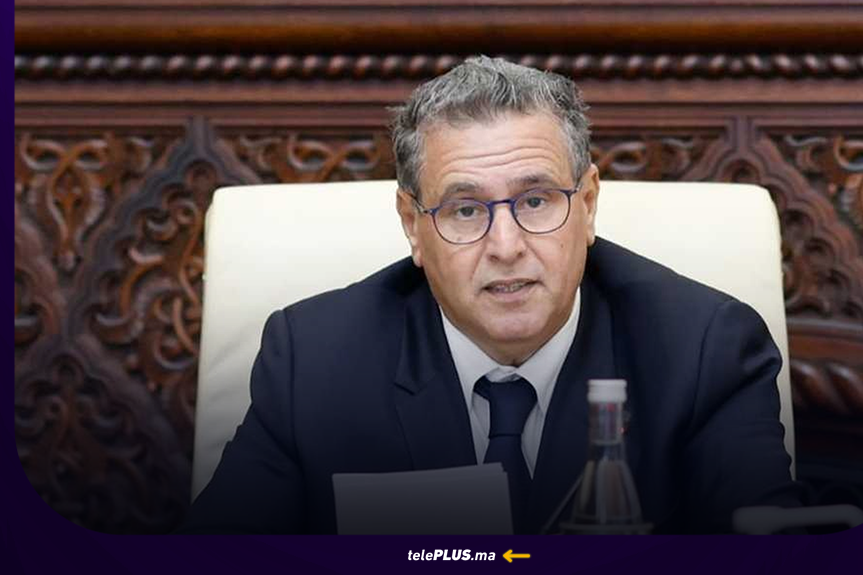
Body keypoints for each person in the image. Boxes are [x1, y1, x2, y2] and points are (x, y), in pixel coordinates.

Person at [180, 56, 801, 534]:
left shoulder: (704, 349)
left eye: (536, 201)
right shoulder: (314, 360)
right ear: (412, 226)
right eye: (465, 209)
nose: (506, 246)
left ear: (587, 205)